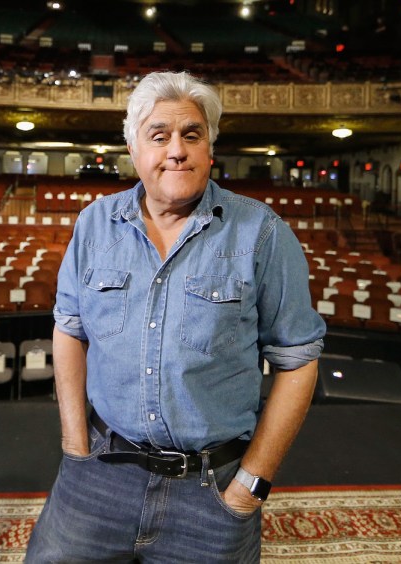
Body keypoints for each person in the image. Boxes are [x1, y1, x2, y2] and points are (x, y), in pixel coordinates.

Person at [25, 71, 326, 562]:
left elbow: (297, 360)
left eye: (192, 135)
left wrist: (250, 485)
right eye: (158, 136)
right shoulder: (94, 224)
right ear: (134, 150)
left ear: (210, 148)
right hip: (98, 473)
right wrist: (75, 444)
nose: (177, 150)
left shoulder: (262, 233)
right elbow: (70, 329)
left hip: (212, 489)